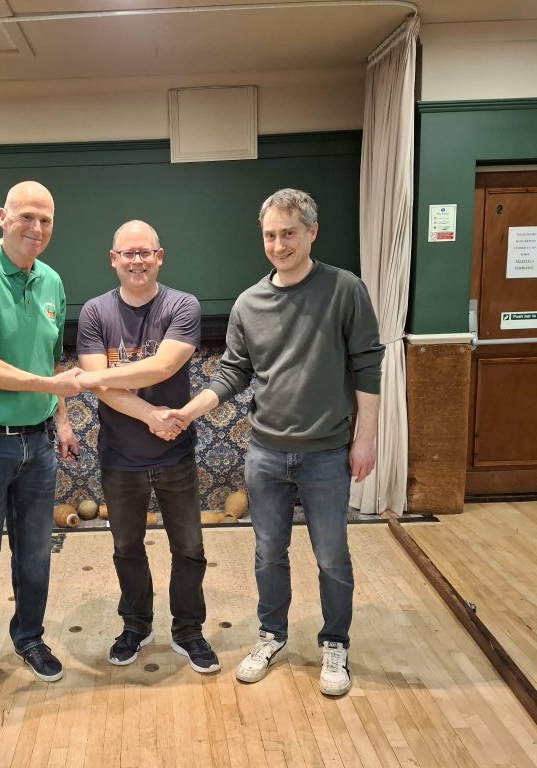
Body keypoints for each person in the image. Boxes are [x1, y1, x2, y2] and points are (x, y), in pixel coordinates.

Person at [164, 189, 383, 696]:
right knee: (268, 554)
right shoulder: (249, 303)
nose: (279, 245)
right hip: (265, 454)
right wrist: (187, 412)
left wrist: (365, 439)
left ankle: (335, 643)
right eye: (270, 235)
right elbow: (233, 372)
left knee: (332, 557)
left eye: (289, 233)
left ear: (312, 232)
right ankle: (271, 635)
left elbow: (368, 366)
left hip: (327, 452)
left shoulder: (345, 290)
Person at [0, 180, 82, 705]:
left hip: (39, 443)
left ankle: (29, 639)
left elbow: (53, 360)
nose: (37, 228)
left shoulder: (52, 280)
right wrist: (48, 386)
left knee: (35, 556)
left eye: (46, 219)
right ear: (2, 217)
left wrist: (62, 421)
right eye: (27, 216)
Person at [74, 220, 220, 674]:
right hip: (120, 458)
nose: (136, 261)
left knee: (189, 548)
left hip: (175, 453)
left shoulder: (182, 305)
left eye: (144, 252)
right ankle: (136, 627)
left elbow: (162, 367)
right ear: (113, 259)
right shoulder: (95, 312)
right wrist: (151, 415)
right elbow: (104, 389)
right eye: (128, 253)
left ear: (159, 257)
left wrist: (94, 378)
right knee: (127, 548)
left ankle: (188, 631)